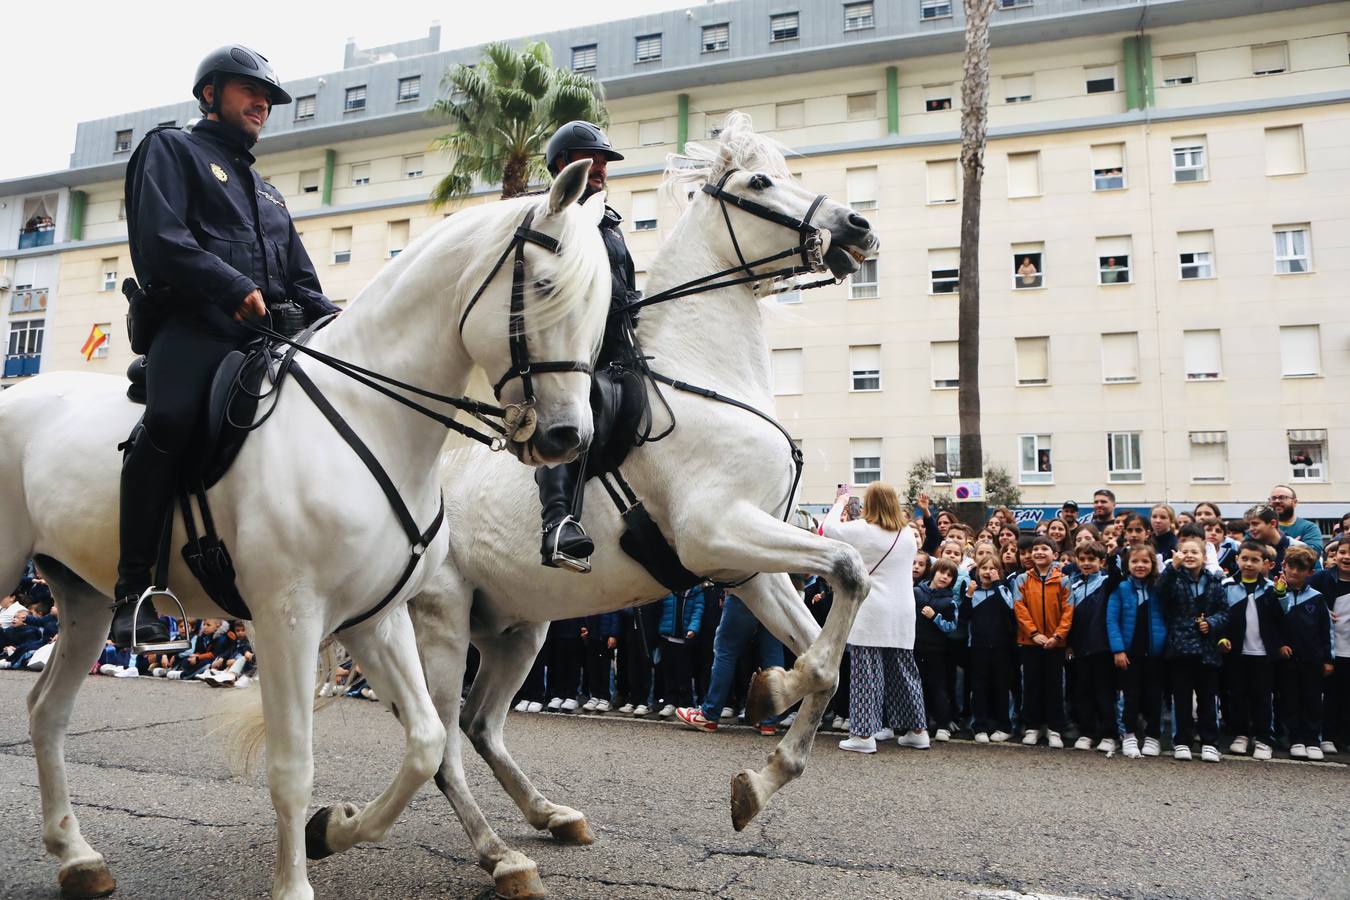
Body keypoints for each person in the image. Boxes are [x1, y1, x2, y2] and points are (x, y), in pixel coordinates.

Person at [113, 45, 337, 650]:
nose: (262, 103)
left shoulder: (269, 194)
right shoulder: (171, 150)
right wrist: (232, 287)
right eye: (248, 89)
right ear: (209, 93)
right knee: (169, 418)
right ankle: (134, 592)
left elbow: (304, 284)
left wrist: (343, 324)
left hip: (265, 339)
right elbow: (162, 241)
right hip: (195, 326)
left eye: (268, 97)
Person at [532, 121, 633, 573]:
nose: (602, 169)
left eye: (606, 162)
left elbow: (623, 283)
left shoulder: (609, 221)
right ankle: (557, 523)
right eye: (593, 161)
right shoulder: (552, 215)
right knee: (573, 409)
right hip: (574, 349)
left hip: (620, 343)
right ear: (562, 165)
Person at [821, 482, 927, 753]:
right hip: (903, 609)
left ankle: (863, 735)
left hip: (872, 609)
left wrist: (841, 501)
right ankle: (917, 730)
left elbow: (828, 529)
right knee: (904, 671)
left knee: (866, 672)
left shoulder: (863, 530)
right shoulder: (907, 535)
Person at [1157, 534, 1228, 762]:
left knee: (1208, 698)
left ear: (1204, 556)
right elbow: (1160, 592)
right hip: (1180, 647)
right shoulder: (1173, 578)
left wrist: (1213, 623)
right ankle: (1182, 741)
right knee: (1183, 698)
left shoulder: (1215, 581)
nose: (1189, 556)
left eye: (1194, 552)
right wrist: (1171, 569)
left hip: (1207, 649)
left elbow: (1224, 612)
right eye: (1184, 552)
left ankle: (1210, 742)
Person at [675, 591, 785, 735]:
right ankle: (768, 721)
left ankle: (709, 714)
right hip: (778, 594)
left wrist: (722, 590)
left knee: (725, 651)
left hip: (746, 590)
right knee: (772, 653)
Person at [1219, 541, 1285, 761]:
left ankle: (1264, 737)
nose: (1248, 564)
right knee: (1237, 694)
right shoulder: (1227, 586)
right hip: (1237, 653)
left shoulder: (1270, 588)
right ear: (1237, 559)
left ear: (1265, 563)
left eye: (1255, 560)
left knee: (1262, 697)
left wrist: (1281, 595)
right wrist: (1222, 638)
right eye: (1244, 558)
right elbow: (1221, 617)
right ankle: (1241, 734)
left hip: (1263, 654)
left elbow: (1280, 619)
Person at [1107, 543, 1167, 758]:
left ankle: (1152, 737)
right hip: (1129, 654)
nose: (1140, 565)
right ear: (1127, 564)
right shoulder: (1121, 588)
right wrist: (1118, 650)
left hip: (1155, 655)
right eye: (1135, 561)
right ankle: (1129, 735)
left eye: (1145, 561)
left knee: (1153, 697)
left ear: (1153, 564)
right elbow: (1112, 620)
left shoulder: (1160, 588)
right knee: (1129, 697)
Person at [1013, 536, 1072, 748]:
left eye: (1044, 549)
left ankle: (1055, 728)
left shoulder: (1064, 580)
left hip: (1056, 644)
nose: (1038, 552)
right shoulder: (1022, 580)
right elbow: (1020, 609)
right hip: (1031, 643)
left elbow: (1068, 611)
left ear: (1054, 555)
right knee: (1031, 685)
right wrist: (1034, 633)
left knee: (1055, 686)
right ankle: (1033, 727)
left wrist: (1057, 636)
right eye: (1035, 549)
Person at [1277, 547, 1333, 760]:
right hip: (1287, 659)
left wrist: (1328, 658)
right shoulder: (1277, 593)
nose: (1294, 572)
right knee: (1290, 699)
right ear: (1284, 566)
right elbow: (1273, 624)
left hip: (1313, 659)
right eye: (1291, 566)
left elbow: (1325, 630)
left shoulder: (1316, 598)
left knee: (1312, 700)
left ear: (1310, 572)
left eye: (1301, 568)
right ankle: (1295, 739)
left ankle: (1312, 740)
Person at [1066, 541, 1121, 753]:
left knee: (1104, 692)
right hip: (1079, 649)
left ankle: (1109, 734)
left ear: (1102, 561)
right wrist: (1068, 645)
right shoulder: (1073, 584)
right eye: (1083, 560)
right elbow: (1067, 617)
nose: (1087, 563)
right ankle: (1087, 732)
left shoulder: (1107, 582)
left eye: (1092, 559)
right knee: (1082, 691)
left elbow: (1117, 574)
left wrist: (1114, 552)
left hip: (1102, 648)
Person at [964, 557, 1017, 743]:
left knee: (1001, 687)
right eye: (984, 568)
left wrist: (996, 584)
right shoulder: (972, 592)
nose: (987, 571)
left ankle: (1004, 726)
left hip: (1001, 647)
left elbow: (1008, 609)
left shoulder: (1002, 589)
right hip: (978, 647)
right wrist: (969, 595)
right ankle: (979, 726)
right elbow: (964, 616)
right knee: (979, 688)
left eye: (992, 568)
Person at [913, 559, 959, 741]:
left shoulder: (949, 602)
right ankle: (919, 724)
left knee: (938, 687)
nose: (945, 577)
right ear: (934, 572)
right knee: (917, 686)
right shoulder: (916, 592)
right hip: (916, 647)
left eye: (949, 576)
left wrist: (935, 617)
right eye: (942, 572)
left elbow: (951, 627)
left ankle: (943, 724)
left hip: (937, 651)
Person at [1311, 539, 1349, 754]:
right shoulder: (1322, 579)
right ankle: (1327, 735)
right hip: (1332, 648)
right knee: (1331, 695)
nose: (1346, 557)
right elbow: (1307, 602)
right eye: (1342, 552)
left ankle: (1344, 736)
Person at [1267, 486, 1324, 555]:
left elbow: (1313, 553)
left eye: (1282, 497)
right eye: (1273, 498)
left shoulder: (1309, 528)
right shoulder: (1262, 526)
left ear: (1294, 502)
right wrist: (1297, 547)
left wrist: (1289, 543)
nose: (1277, 501)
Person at [1247, 506, 1294, 577]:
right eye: (1249, 525)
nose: (1250, 529)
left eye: (1255, 524)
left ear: (1273, 523)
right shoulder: (1248, 549)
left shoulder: (1295, 547)